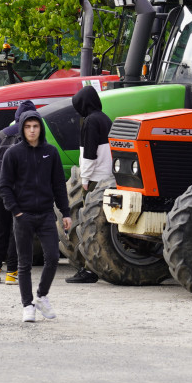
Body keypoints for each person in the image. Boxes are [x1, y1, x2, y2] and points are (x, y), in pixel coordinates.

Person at [0, 111, 71, 322]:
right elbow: (4, 186)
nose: (32, 130)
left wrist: (65, 212)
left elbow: (59, 184)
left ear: (41, 128)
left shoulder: (51, 152)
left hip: (46, 215)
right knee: (24, 264)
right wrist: (16, 211)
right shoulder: (13, 153)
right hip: (23, 216)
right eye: (28, 126)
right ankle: (27, 305)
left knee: (53, 257)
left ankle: (41, 296)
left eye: (35, 126)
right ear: (22, 128)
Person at [0, 100, 37, 283]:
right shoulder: (32, 136)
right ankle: (12, 273)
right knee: (18, 232)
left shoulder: (2, 134)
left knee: (0, 229)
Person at [68, 85, 111, 284]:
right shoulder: (104, 118)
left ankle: (89, 269)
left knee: (88, 224)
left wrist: (84, 180)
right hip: (108, 175)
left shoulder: (90, 121)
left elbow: (89, 154)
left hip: (95, 179)